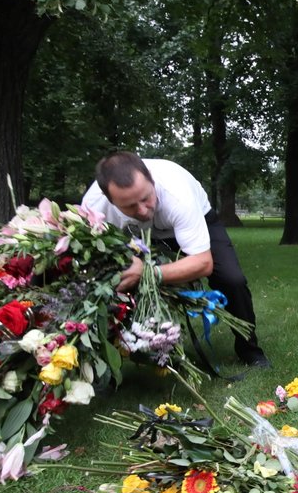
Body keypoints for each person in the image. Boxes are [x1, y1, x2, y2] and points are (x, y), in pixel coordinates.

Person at [81, 151, 270, 367]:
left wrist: (147, 272)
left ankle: (249, 349)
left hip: (196, 222)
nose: (142, 210)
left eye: (146, 198)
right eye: (130, 206)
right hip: (136, 238)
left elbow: (203, 263)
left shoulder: (177, 193)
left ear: (151, 179)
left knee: (231, 279)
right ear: (110, 200)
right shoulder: (93, 206)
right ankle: (107, 361)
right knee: (105, 286)